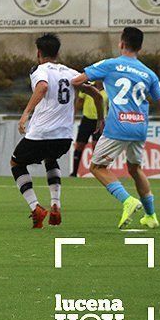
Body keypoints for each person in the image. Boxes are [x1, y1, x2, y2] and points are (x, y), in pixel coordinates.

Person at [71, 27, 160, 229]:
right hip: (140, 128)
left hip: (118, 126)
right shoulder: (148, 73)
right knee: (135, 168)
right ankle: (151, 216)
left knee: (97, 167)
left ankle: (128, 200)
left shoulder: (110, 64)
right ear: (140, 47)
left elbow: (76, 80)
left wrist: (89, 88)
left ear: (121, 43)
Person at [11, 34, 104, 228]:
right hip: (63, 136)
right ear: (57, 52)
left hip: (41, 133)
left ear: (39, 53)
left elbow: (43, 86)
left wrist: (25, 114)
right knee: (50, 159)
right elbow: (96, 93)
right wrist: (101, 118)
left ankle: (35, 207)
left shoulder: (39, 70)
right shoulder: (71, 72)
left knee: (16, 163)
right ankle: (55, 205)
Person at [70, 81, 107, 177]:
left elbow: (109, 106)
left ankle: (98, 172)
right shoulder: (88, 87)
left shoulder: (108, 88)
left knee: (97, 147)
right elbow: (79, 101)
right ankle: (74, 173)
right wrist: (73, 115)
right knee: (79, 146)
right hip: (87, 120)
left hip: (100, 121)